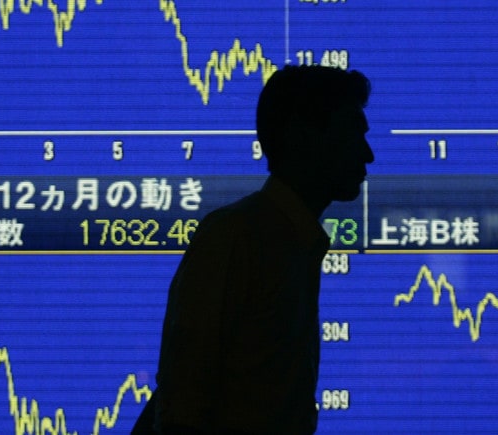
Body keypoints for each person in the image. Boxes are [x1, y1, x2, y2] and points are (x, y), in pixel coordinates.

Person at [132, 65, 373, 434]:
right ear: (302, 136)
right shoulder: (236, 238)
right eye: (352, 133)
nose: (367, 154)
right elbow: (183, 406)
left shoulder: (285, 241)